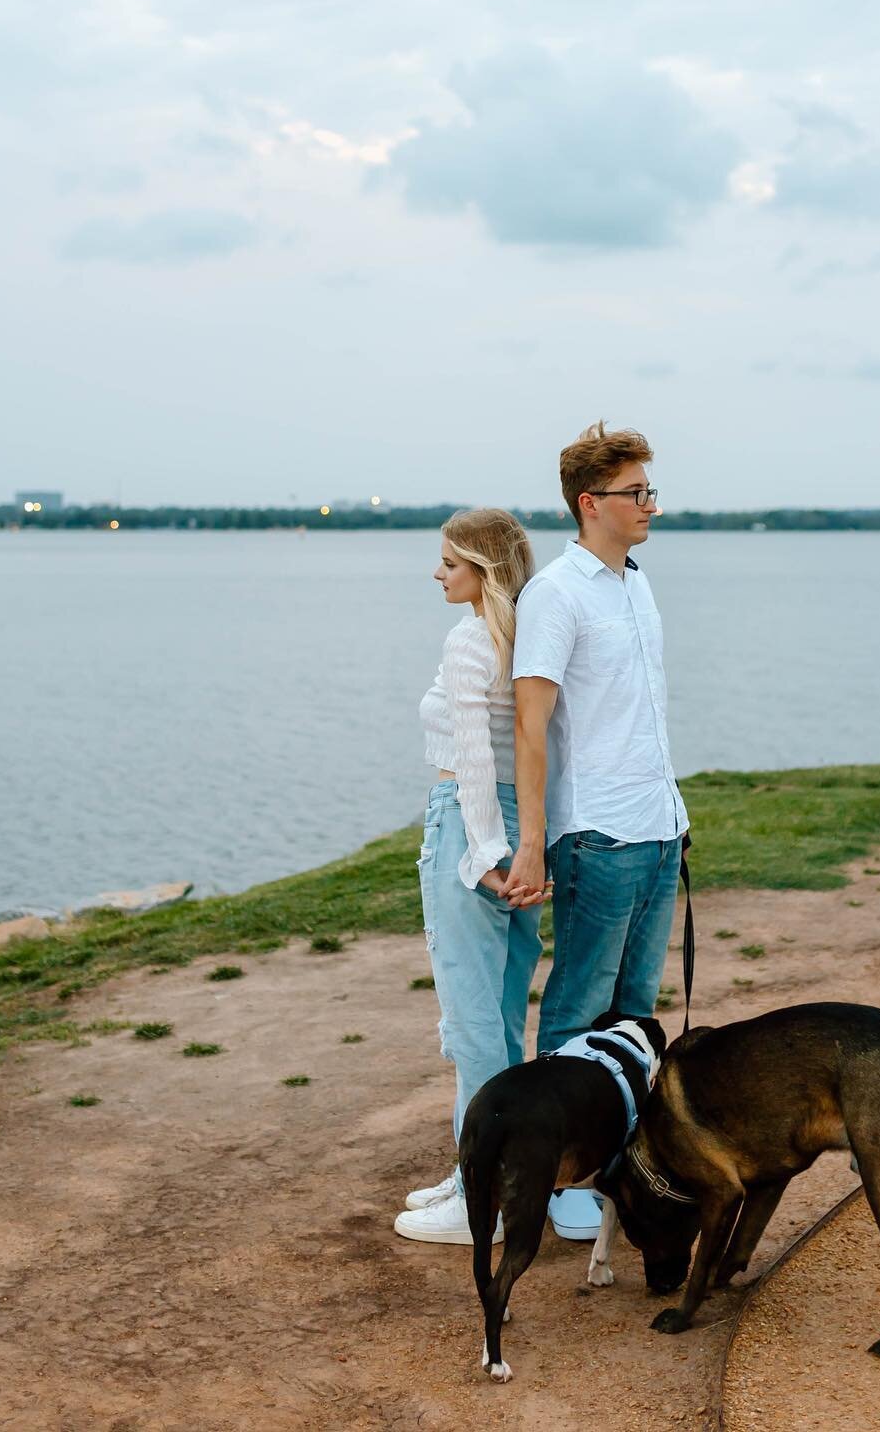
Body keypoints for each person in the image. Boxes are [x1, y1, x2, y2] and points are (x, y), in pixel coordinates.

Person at [503, 422, 689, 1240]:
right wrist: (535, 841)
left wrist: (677, 817)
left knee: (635, 1018)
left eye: (650, 489)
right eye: (636, 492)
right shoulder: (557, 595)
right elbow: (531, 727)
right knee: (578, 1014)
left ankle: (622, 1163)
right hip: (600, 836)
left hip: (659, 829)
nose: (651, 503)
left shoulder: (636, 583)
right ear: (591, 503)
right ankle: (556, 1173)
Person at [394, 507, 545, 1244]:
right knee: (504, 1014)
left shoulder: (467, 639)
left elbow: (475, 761)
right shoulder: (526, 635)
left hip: (473, 821)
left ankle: (479, 1200)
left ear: (480, 571)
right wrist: (527, 846)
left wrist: (481, 854)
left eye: (450, 563)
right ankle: (488, 1176)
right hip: (522, 825)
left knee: (473, 1024)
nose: (437, 573)